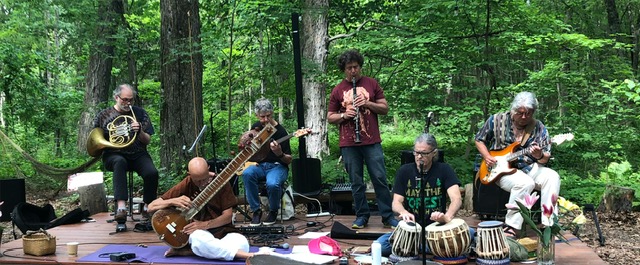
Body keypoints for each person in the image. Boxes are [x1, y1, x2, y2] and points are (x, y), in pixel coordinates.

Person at [327, 49, 397, 229]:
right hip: (349, 143)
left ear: (360, 66)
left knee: (379, 178)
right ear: (344, 69)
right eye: (349, 68)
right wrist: (344, 115)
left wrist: (367, 103)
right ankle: (361, 215)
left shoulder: (371, 84)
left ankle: (387, 216)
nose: (353, 71)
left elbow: (384, 108)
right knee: (356, 182)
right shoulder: (338, 90)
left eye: (356, 67)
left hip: (372, 141)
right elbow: (330, 117)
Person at [475, 91, 560, 236]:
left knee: (552, 177)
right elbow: (479, 139)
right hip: (500, 170)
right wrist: (487, 156)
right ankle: (512, 226)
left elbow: (545, 158)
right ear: (513, 110)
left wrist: (539, 154)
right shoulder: (495, 120)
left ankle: (549, 224)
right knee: (525, 183)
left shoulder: (538, 127)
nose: (524, 117)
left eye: (529, 113)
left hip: (528, 166)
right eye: (520, 113)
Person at [377, 133, 470, 257]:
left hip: (437, 229)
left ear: (434, 153)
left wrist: (447, 217)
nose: (419, 156)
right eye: (416, 152)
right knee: (380, 245)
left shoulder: (444, 169)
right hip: (413, 229)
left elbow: (456, 199)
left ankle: (416, 248)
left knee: (471, 233)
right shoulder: (404, 171)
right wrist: (404, 212)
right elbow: (396, 202)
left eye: (424, 153)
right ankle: (426, 247)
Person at [147, 157, 256, 260]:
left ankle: (191, 251)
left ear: (208, 168)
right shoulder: (187, 183)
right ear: (189, 175)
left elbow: (227, 217)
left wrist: (205, 225)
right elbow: (151, 207)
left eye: (204, 179)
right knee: (198, 240)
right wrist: (173, 201)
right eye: (197, 181)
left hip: (223, 232)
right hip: (201, 234)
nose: (202, 183)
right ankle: (247, 256)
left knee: (243, 244)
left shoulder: (220, 182)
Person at [93, 84, 159, 222]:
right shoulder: (103, 115)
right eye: (125, 99)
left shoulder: (140, 114)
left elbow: (147, 141)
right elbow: (95, 136)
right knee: (119, 162)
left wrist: (139, 131)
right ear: (116, 97)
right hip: (113, 153)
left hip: (137, 153)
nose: (128, 103)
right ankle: (121, 207)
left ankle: (148, 207)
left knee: (152, 172)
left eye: (131, 100)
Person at [242, 98, 292, 226]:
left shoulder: (281, 131)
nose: (265, 120)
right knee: (247, 173)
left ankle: (273, 211)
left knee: (272, 183)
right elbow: (252, 152)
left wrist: (279, 153)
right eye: (262, 117)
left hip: (278, 167)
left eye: (268, 116)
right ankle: (256, 211)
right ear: (257, 115)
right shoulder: (256, 128)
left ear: (272, 113)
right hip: (260, 166)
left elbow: (289, 160)